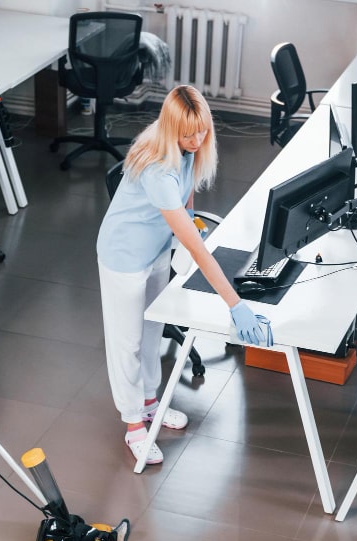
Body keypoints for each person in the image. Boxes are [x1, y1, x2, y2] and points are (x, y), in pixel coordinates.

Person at [96, 85, 270, 465]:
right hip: (123, 255)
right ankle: (133, 427)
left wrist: (188, 219)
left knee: (152, 333)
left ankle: (149, 404)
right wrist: (235, 305)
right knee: (127, 343)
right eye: (187, 134)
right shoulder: (158, 166)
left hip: (156, 248)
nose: (196, 140)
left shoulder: (192, 148)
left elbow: (187, 190)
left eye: (202, 131)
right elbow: (196, 249)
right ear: (171, 128)